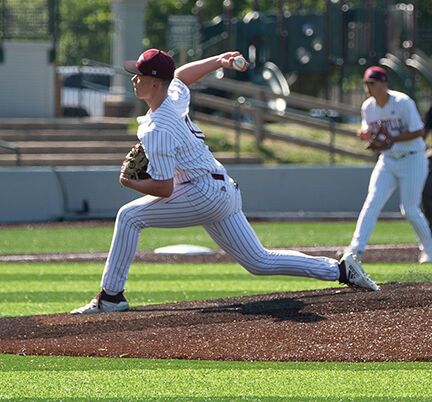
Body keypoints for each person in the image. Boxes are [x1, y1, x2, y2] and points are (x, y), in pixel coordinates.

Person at [71, 49, 378, 314]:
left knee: (129, 216)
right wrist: (218, 60)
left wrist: (129, 182)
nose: (133, 79)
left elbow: (163, 189)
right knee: (260, 261)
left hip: (201, 192)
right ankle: (340, 270)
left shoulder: (157, 129)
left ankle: (110, 297)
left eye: (138, 75)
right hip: (220, 188)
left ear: (153, 82)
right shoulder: (171, 98)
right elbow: (181, 77)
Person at [342, 66, 432, 263]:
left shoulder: (402, 102)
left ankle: (429, 250)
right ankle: (355, 249)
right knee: (372, 202)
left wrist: (392, 139)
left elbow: (418, 131)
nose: (369, 87)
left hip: (413, 158)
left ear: (384, 84)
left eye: (372, 83)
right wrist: (366, 135)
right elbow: (369, 129)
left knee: (409, 208)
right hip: (388, 159)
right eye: (367, 83)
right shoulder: (368, 106)